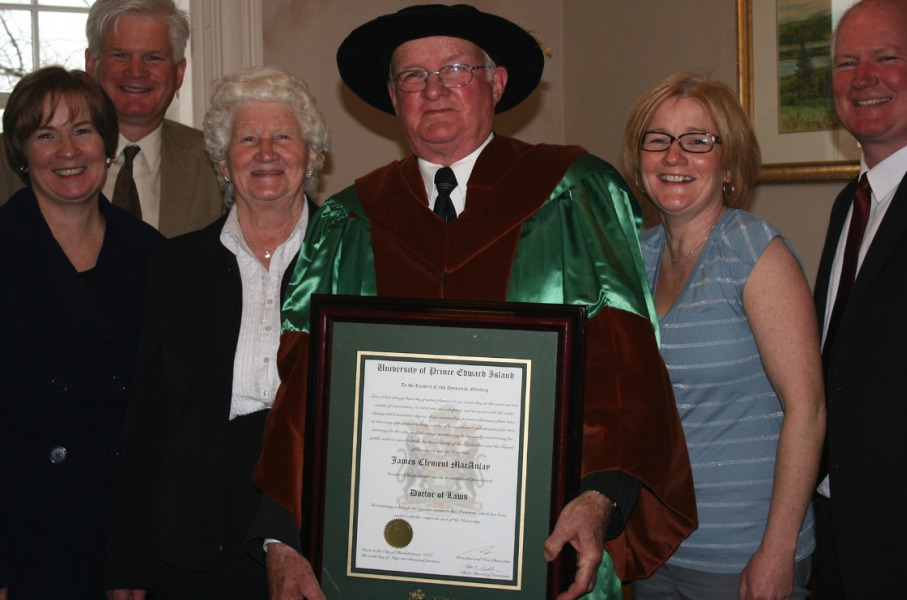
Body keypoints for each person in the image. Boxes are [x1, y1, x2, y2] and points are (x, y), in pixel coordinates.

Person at [250, 5, 698, 600]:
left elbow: (626, 369)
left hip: (540, 546)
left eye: (456, 69)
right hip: (383, 559)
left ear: (497, 82)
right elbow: (303, 394)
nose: (433, 90)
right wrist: (281, 540)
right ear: (392, 95)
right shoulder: (348, 222)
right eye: (412, 76)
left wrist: (600, 499)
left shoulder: (574, 195)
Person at [101, 66, 329, 600]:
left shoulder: (353, 258)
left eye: (283, 137)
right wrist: (128, 559)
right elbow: (148, 419)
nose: (266, 152)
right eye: (247, 139)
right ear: (223, 162)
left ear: (312, 157)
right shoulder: (175, 266)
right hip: (197, 523)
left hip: (317, 508)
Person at [623, 73, 825, 600]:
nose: (674, 156)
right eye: (658, 139)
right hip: (654, 547)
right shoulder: (635, 257)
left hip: (741, 555)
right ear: (639, 162)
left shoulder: (755, 254)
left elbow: (808, 409)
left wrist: (777, 553)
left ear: (729, 164)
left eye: (697, 141)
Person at [813, 0, 907, 597]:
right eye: (846, 62)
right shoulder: (847, 206)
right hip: (840, 531)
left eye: (886, 57)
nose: (863, 78)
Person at [0, 66, 163, 599]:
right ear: (22, 154)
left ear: (107, 144)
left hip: (119, 526)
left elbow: (157, 419)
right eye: (46, 134)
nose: (67, 150)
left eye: (83, 130)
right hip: (24, 530)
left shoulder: (151, 254)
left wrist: (136, 556)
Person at [0, 0, 223, 238]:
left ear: (179, 73)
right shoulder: (11, 155)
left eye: (153, 58)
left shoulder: (216, 160)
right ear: (91, 64)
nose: (136, 72)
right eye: (120, 55)